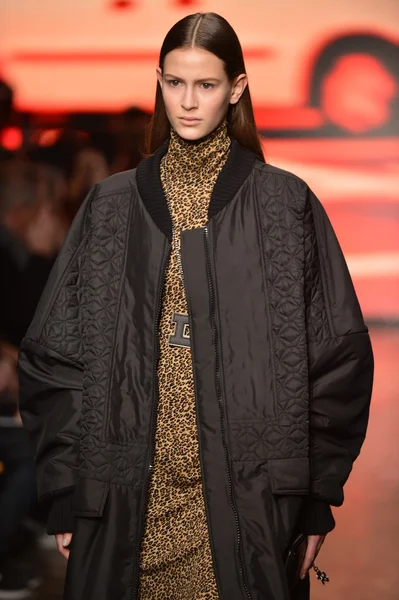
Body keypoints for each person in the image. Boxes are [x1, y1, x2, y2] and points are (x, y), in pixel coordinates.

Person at [18, 12, 374, 600]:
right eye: (174, 83)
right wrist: (65, 492)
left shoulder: (284, 207)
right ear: (157, 81)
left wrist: (312, 503)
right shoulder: (111, 208)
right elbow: (56, 355)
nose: (187, 102)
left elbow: (336, 358)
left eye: (206, 85)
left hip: (250, 501)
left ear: (235, 90)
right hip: (130, 492)